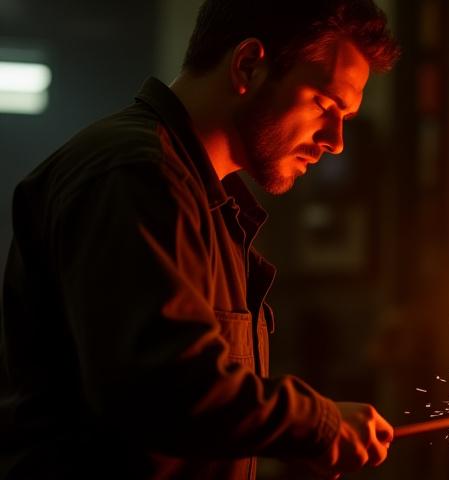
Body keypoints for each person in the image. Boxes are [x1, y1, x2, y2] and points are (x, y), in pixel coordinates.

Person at [0, 0, 400, 478]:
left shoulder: (207, 202)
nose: (336, 140)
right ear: (248, 64)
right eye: (325, 104)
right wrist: (316, 422)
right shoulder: (133, 174)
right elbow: (162, 385)